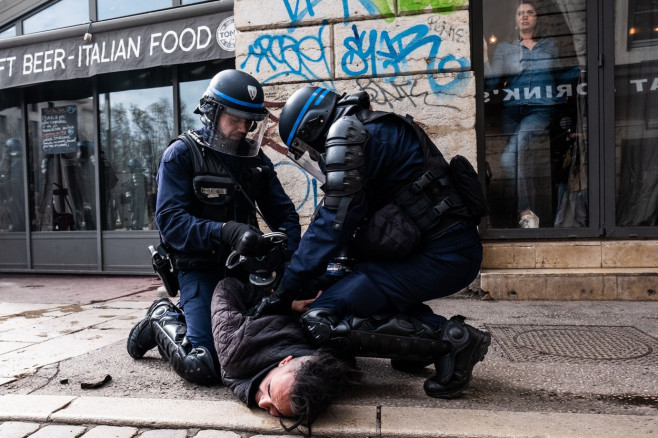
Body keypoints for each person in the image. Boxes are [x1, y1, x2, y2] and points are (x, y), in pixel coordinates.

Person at [252, 86, 490, 399]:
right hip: (444, 250)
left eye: (307, 144)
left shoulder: (347, 135)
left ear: (313, 126)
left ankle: (453, 341)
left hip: (441, 258)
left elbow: (332, 222)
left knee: (322, 316)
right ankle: (421, 347)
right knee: (345, 286)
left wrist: (286, 289)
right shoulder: (371, 126)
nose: (312, 153)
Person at [126, 69, 302, 385]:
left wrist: (284, 253)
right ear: (213, 111)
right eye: (235, 117)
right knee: (205, 363)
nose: (243, 127)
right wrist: (225, 231)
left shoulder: (254, 158)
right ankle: (161, 318)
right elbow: (170, 223)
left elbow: (285, 215)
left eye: (250, 120)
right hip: (199, 267)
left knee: (273, 340)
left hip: (242, 267)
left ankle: (191, 316)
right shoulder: (181, 154)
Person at [211, 276, 359, 434]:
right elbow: (227, 285)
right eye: (269, 388)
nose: (262, 402)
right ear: (284, 362)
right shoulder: (235, 343)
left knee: (199, 365)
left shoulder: (232, 347)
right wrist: (284, 303)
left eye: (278, 412)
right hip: (262, 289)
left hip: (249, 322)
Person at [483, 0, 562, 228]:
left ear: (537, 18)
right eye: (520, 13)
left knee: (509, 158)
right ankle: (529, 214)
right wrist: (486, 55)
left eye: (529, 12)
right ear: (515, 20)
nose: (525, 16)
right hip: (512, 112)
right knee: (519, 163)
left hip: (540, 108)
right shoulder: (506, 48)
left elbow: (560, 75)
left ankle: (526, 213)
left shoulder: (550, 46)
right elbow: (493, 80)